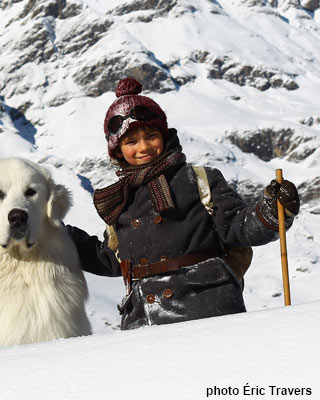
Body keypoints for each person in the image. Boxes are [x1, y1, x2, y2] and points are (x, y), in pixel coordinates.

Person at [66, 78, 300, 330]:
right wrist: (56, 234)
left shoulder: (198, 179)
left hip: (208, 309)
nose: (143, 147)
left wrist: (272, 209)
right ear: (117, 150)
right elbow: (112, 260)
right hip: (143, 321)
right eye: (131, 142)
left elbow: (238, 226)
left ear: (164, 136)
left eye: (151, 136)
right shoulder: (119, 200)